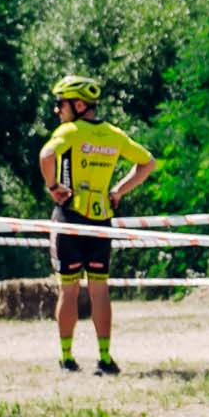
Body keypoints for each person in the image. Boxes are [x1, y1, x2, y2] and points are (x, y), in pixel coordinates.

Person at [37, 75, 160, 374]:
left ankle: (67, 358)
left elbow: (46, 155)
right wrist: (118, 191)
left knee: (68, 290)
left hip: (70, 217)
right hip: (102, 219)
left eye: (61, 104)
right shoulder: (113, 134)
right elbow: (148, 163)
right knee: (99, 290)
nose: (57, 110)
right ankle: (105, 358)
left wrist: (53, 186)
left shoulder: (69, 131)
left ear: (79, 105)